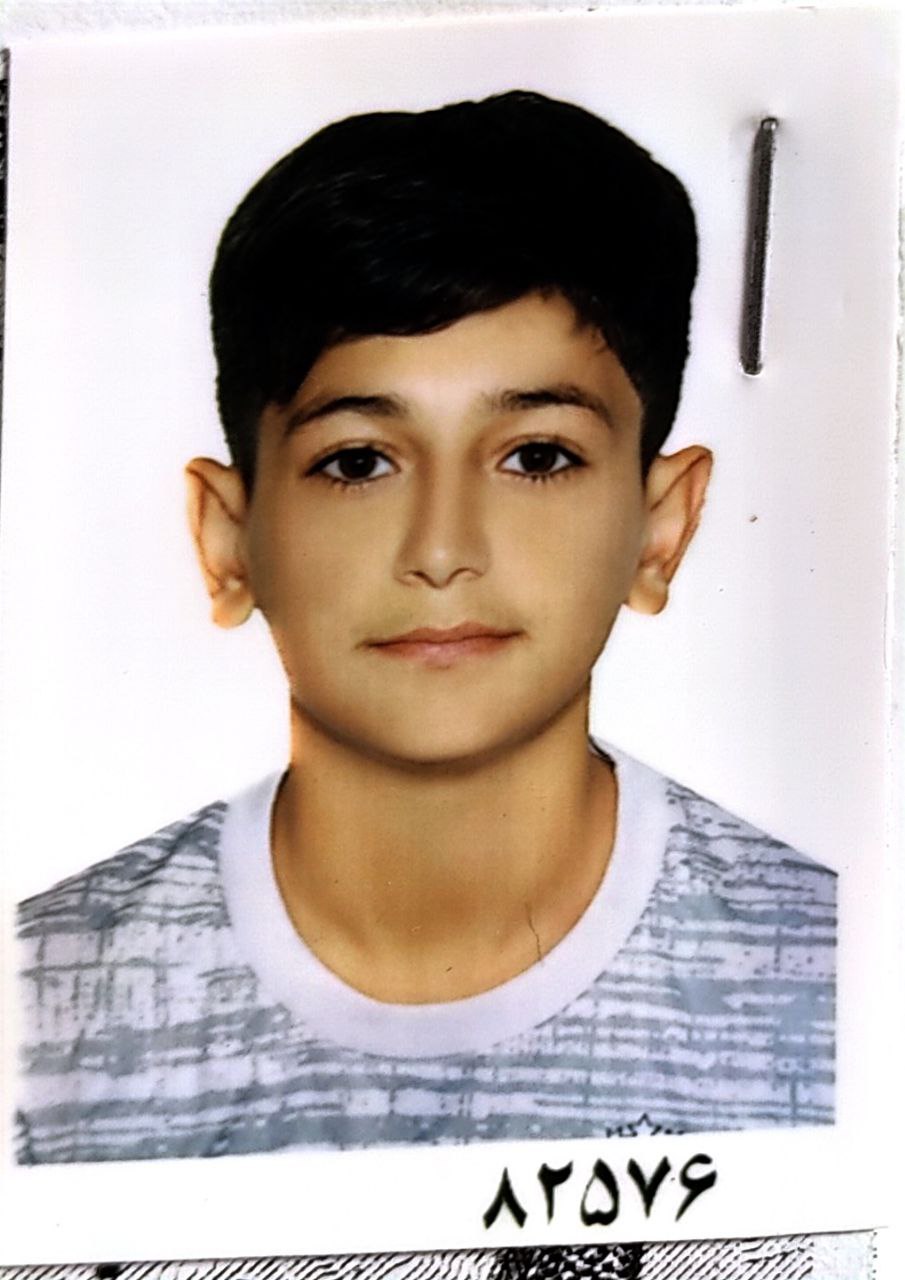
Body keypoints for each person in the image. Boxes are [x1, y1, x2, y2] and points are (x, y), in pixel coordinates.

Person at [16, 91, 835, 1165]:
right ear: (226, 539)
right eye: (358, 462)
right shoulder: (39, 1004)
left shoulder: (839, 980)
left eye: (535, 456)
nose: (442, 549)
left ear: (660, 527)